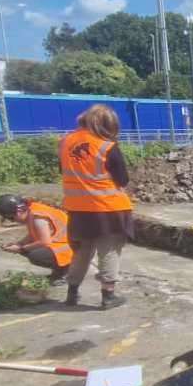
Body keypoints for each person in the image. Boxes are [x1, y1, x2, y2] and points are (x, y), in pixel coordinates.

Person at [59, 104, 133, 309]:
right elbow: (123, 179)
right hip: (108, 209)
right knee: (108, 251)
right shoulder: (106, 146)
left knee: (82, 251)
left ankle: (72, 293)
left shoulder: (65, 143)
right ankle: (108, 296)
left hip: (78, 209)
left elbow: (64, 171)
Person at [0, 194, 73, 282]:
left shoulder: (38, 217)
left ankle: (68, 272)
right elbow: (34, 234)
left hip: (73, 247)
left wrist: (21, 248)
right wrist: (19, 244)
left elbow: (45, 242)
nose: (14, 221)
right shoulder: (32, 210)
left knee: (36, 255)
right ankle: (61, 271)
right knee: (30, 249)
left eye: (12, 218)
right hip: (70, 244)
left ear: (19, 211)